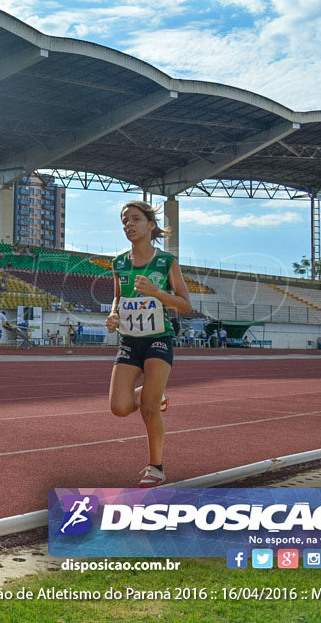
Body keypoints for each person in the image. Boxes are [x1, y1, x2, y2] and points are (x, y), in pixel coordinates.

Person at [105, 201, 191, 488]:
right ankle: (155, 394)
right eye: (124, 221)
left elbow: (186, 305)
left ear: (151, 225)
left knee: (148, 409)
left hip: (158, 339)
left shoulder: (166, 261)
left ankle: (156, 467)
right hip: (129, 340)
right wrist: (114, 313)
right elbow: (118, 296)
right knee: (119, 406)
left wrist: (157, 293)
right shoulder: (118, 263)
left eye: (135, 219)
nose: (129, 225)